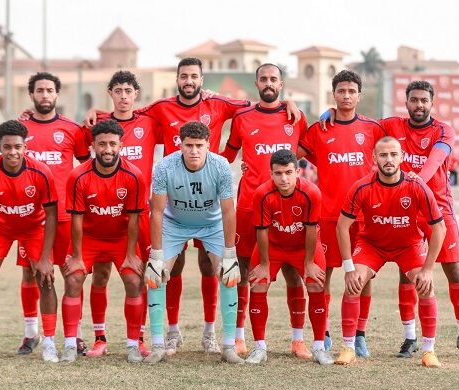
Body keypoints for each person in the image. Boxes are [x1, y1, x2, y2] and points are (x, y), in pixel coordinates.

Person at [86, 57, 299, 356]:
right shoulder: (162, 107)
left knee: (213, 268)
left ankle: (211, 333)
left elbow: (258, 104)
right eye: (184, 76)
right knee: (167, 269)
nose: (189, 81)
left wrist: (286, 101)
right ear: (177, 79)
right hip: (174, 205)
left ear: (201, 79)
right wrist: (97, 113)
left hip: (209, 208)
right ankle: (171, 332)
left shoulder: (218, 104)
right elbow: (127, 111)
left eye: (194, 76)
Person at [380, 81, 459, 358]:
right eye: (414, 100)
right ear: (406, 102)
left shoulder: (444, 130)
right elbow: (359, 125)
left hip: (439, 209)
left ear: (431, 103)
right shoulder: (393, 125)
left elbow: (435, 159)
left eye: (424, 100)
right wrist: (329, 113)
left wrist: (417, 180)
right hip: (407, 211)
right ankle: (409, 337)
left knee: (453, 271)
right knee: (407, 273)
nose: (419, 105)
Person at [221, 63, 309, 357]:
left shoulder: (295, 117)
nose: (268, 83)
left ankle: (297, 340)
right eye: (263, 79)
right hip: (249, 204)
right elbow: (228, 155)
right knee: (245, 271)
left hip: (287, 206)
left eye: (273, 79)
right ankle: (238, 336)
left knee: (293, 272)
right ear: (256, 83)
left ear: (281, 84)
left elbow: (305, 150)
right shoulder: (242, 117)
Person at [334, 136, 446, 368]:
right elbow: (342, 226)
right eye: (383, 155)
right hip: (372, 245)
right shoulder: (362, 187)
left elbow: (440, 228)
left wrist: (427, 269)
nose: (389, 159)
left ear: (401, 157)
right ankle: (348, 348)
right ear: (374, 158)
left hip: (408, 245)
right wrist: (349, 267)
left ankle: (429, 350)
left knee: (426, 286)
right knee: (354, 283)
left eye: (394, 154)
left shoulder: (416, 187)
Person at [298, 70, 386, 357]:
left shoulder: (373, 129)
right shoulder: (319, 129)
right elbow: (293, 151)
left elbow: (393, 152)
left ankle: (359, 334)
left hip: (363, 217)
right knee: (322, 276)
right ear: (333, 94)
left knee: (363, 277)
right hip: (327, 215)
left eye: (351, 91)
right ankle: (322, 333)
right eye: (341, 91)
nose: (346, 96)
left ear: (359, 95)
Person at [143, 121, 242, 364]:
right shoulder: (165, 166)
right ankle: (158, 345)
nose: (194, 151)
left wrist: (230, 253)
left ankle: (228, 346)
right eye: (189, 145)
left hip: (212, 224)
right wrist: (156, 256)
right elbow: (157, 211)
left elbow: (228, 211)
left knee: (229, 274)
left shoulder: (220, 165)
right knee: (155, 275)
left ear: (208, 145)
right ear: (180, 145)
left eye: (199, 145)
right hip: (175, 224)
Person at [0, 120, 59, 362]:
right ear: (0, 148)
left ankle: (49, 342)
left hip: (33, 228)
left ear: (25, 147)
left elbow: (51, 215)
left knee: (46, 279)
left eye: (17, 147)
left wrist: (45, 258)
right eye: (7, 147)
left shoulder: (41, 172)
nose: (12, 152)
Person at [81, 70, 161, 356]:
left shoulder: (149, 122)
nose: (123, 96)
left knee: (140, 275)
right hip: (104, 213)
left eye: (128, 91)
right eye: (118, 91)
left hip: (139, 213)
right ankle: (99, 339)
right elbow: (81, 156)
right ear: (110, 93)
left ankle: (138, 338)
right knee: (100, 275)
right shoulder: (98, 124)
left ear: (136, 94)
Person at [16, 72, 90, 356]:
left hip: (65, 215)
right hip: (32, 218)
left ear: (57, 94)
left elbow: (85, 167)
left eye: (49, 90)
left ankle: (76, 334)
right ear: (31, 95)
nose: (45, 95)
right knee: (30, 273)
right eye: (39, 90)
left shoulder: (72, 129)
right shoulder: (20, 129)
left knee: (72, 274)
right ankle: (30, 333)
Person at [60, 120, 147, 363]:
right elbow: (76, 220)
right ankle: (70, 345)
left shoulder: (134, 175)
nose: (107, 149)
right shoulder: (78, 175)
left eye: (112, 144)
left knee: (134, 280)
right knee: (74, 279)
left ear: (121, 145)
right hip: (89, 238)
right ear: (93, 146)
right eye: (101, 144)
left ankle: (133, 345)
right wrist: (77, 257)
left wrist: (131, 255)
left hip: (120, 238)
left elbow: (134, 219)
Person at [245, 149, 333, 365]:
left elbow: (311, 229)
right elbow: (261, 231)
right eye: (278, 173)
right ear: (271, 174)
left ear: (297, 172)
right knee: (257, 284)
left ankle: (319, 347)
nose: (283, 178)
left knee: (315, 283)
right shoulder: (262, 193)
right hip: (272, 246)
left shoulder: (311, 192)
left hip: (303, 246)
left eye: (288, 172)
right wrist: (264, 264)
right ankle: (259, 347)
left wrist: (309, 263)